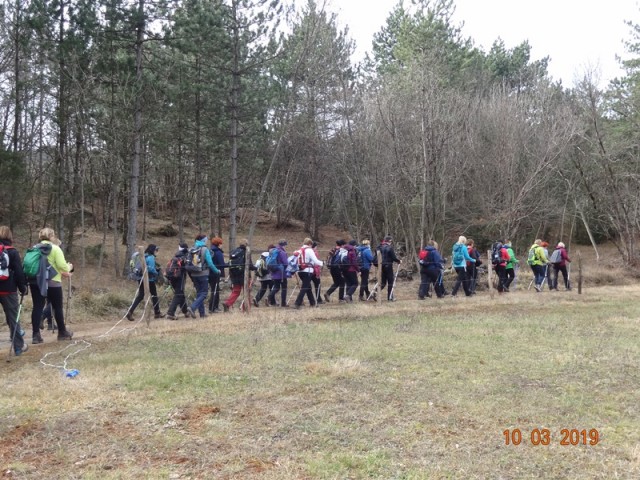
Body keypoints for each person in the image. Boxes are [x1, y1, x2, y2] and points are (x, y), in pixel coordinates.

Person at [29, 228, 74, 343]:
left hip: (36, 282)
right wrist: (69, 267)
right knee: (57, 307)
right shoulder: (55, 248)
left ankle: (35, 335)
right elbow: (63, 267)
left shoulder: (34, 248)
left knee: (37, 307)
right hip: (53, 282)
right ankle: (62, 332)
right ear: (51, 236)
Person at [0, 226, 29, 355]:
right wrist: (23, 288)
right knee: (13, 318)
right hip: (8, 290)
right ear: (10, 237)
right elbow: (18, 272)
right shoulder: (12, 252)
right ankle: (18, 347)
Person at [126, 244, 165, 321]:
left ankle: (130, 311)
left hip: (140, 278)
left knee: (140, 296)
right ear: (153, 250)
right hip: (148, 280)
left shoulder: (144, 256)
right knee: (154, 295)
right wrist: (157, 273)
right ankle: (157, 313)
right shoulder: (150, 257)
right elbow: (150, 269)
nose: (157, 252)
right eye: (156, 250)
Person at [187, 234, 220, 318]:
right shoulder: (205, 249)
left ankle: (202, 314)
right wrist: (217, 271)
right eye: (206, 239)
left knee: (199, 293)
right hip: (203, 274)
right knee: (204, 293)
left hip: (194, 274)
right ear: (203, 240)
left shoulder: (192, 248)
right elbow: (210, 263)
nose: (207, 241)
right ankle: (192, 307)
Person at [223, 238, 255, 312]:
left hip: (234, 275)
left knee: (236, 291)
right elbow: (249, 264)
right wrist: (255, 268)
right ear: (246, 245)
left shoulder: (234, 252)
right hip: (244, 275)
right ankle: (246, 308)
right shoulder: (246, 252)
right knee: (246, 292)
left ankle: (228, 303)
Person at [293, 238, 324, 309]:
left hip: (300, 271)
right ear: (310, 244)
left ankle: (312, 303)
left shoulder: (299, 250)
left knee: (308, 287)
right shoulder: (309, 250)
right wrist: (322, 263)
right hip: (308, 271)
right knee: (304, 287)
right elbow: (315, 260)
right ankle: (297, 303)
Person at [166, 243, 193, 320]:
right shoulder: (184, 257)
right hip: (179, 278)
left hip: (172, 278)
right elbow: (187, 269)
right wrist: (192, 279)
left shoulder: (176, 256)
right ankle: (170, 313)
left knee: (180, 294)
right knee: (178, 294)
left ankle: (185, 311)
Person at [378, 236, 401, 301]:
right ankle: (390, 297)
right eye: (391, 241)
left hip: (382, 266)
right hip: (388, 266)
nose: (391, 242)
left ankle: (375, 292)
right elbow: (393, 257)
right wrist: (399, 261)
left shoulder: (381, 247)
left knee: (383, 282)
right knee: (390, 282)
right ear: (389, 241)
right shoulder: (390, 248)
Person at [267, 239, 289, 307]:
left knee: (276, 287)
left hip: (274, 272)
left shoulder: (273, 251)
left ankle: (269, 297)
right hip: (281, 273)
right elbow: (285, 263)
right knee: (284, 288)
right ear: (284, 245)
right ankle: (283, 303)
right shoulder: (282, 252)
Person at [208, 236, 225, 313]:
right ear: (219, 244)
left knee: (213, 289)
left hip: (209, 273)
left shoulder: (210, 250)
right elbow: (222, 264)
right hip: (216, 273)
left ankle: (213, 306)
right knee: (215, 290)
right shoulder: (218, 252)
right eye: (221, 243)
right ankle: (213, 307)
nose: (222, 245)